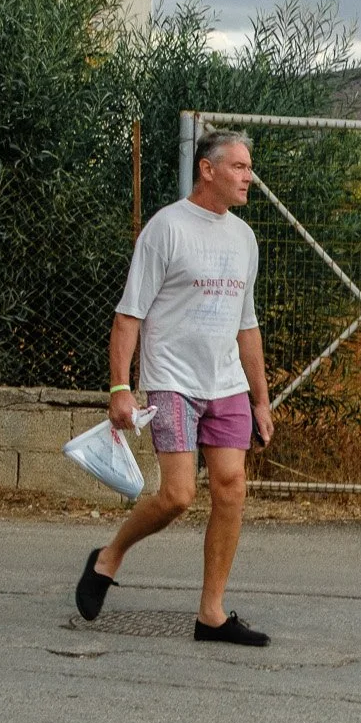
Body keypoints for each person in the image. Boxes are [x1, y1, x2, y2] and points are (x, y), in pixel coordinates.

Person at [76, 130, 274, 645]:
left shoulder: (244, 239)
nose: (248, 176)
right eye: (238, 167)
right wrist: (121, 386)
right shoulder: (167, 228)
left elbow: (246, 324)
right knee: (178, 495)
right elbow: (128, 315)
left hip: (226, 382)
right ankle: (109, 556)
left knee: (231, 486)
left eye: (249, 167)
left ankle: (211, 614)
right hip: (172, 381)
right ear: (207, 170)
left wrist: (260, 397)